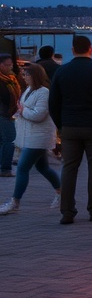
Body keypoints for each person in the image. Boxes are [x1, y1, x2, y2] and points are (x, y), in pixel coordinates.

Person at [48, 35, 92, 223]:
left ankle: (67, 211)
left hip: (69, 126)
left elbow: (53, 103)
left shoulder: (62, 71)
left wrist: (61, 124)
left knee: (68, 168)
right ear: (90, 49)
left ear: (73, 50)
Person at [1, 64, 60, 215]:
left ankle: (15, 202)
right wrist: (21, 111)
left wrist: (23, 110)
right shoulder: (29, 90)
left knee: (22, 167)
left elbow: (38, 115)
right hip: (31, 135)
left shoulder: (43, 92)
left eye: (27, 74)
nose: (24, 77)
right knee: (43, 167)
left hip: (39, 136)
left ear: (35, 75)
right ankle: (62, 193)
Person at [0, 54, 21, 177]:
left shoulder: (11, 78)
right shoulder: (4, 80)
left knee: (3, 140)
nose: (11, 67)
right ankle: (5, 168)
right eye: (8, 65)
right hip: (4, 113)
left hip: (7, 113)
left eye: (11, 64)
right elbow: (6, 98)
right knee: (10, 139)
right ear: (1, 65)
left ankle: (3, 166)